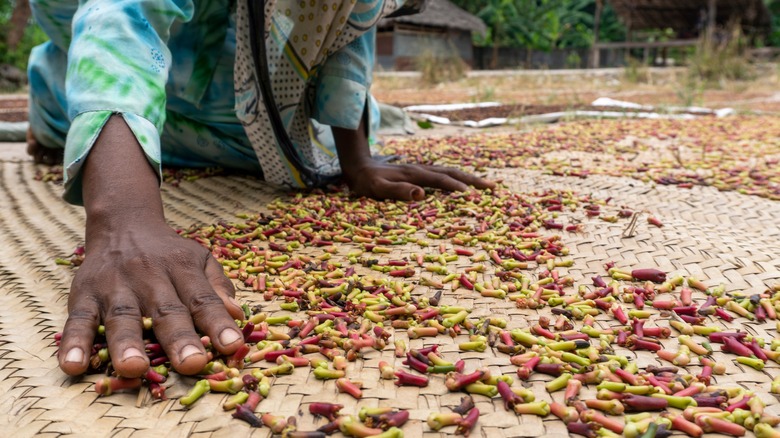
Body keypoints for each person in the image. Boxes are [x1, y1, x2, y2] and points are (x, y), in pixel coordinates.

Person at [27, 0, 494, 378]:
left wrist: (357, 159)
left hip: (236, 91)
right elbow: (118, 15)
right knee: (68, 115)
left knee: (296, 149)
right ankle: (49, 87)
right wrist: (123, 220)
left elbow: (348, 22)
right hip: (130, 53)